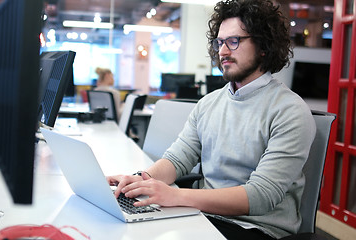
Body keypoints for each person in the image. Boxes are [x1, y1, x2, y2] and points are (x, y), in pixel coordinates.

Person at [106, 0, 316, 239]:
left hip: (255, 228)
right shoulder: (209, 103)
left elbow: (260, 196)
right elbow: (177, 159)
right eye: (220, 42)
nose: (223, 51)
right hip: (203, 215)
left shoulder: (290, 111)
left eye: (234, 41)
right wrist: (140, 180)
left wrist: (176, 196)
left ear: (263, 45)